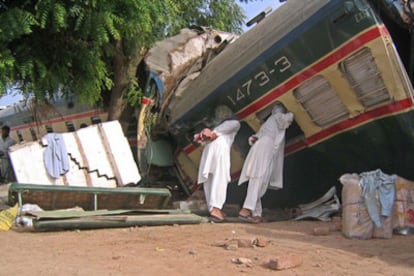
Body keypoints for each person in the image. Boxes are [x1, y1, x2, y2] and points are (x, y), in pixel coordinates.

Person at [238, 104, 294, 223]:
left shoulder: (271, 120)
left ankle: (255, 213)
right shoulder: (275, 118)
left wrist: (253, 139)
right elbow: (288, 118)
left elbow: (258, 135)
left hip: (264, 148)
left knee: (259, 179)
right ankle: (247, 209)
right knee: (258, 178)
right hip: (264, 148)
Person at [196, 105, 240, 222]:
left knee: (210, 179)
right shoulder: (234, 123)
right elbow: (213, 135)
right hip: (220, 152)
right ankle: (215, 208)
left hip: (209, 152)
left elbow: (206, 138)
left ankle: (213, 209)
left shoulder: (218, 126)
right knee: (220, 178)